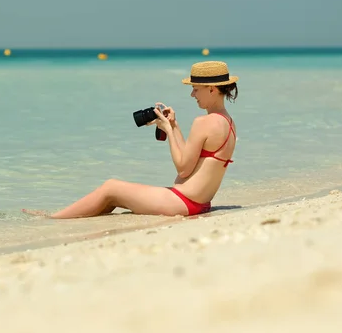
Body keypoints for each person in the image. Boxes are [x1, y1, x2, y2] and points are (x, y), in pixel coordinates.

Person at [23, 60, 239, 219]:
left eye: (195, 89)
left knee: (111, 188)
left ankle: (52, 219)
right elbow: (193, 165)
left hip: (182, 202)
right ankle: (68, 216)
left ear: (211, 89)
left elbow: (183, 169)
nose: (192, 95)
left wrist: (167, 129)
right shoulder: (227, 122)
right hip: (198, 204)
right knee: (112, 198)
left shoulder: (203, 122)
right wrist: (174, 126)